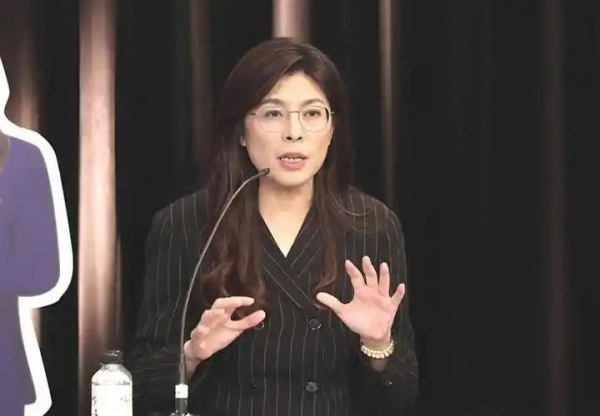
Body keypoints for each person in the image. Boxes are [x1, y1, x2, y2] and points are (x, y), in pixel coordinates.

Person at [126, 37, 419, 416]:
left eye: (312, 114)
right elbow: (139, 384)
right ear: (241, 132)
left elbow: (403, 396)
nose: (293, 132)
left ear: (332, 129)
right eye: (272, 113)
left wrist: (377, 344)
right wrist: (191, 354)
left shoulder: (373, 225)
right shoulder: (184, 224)